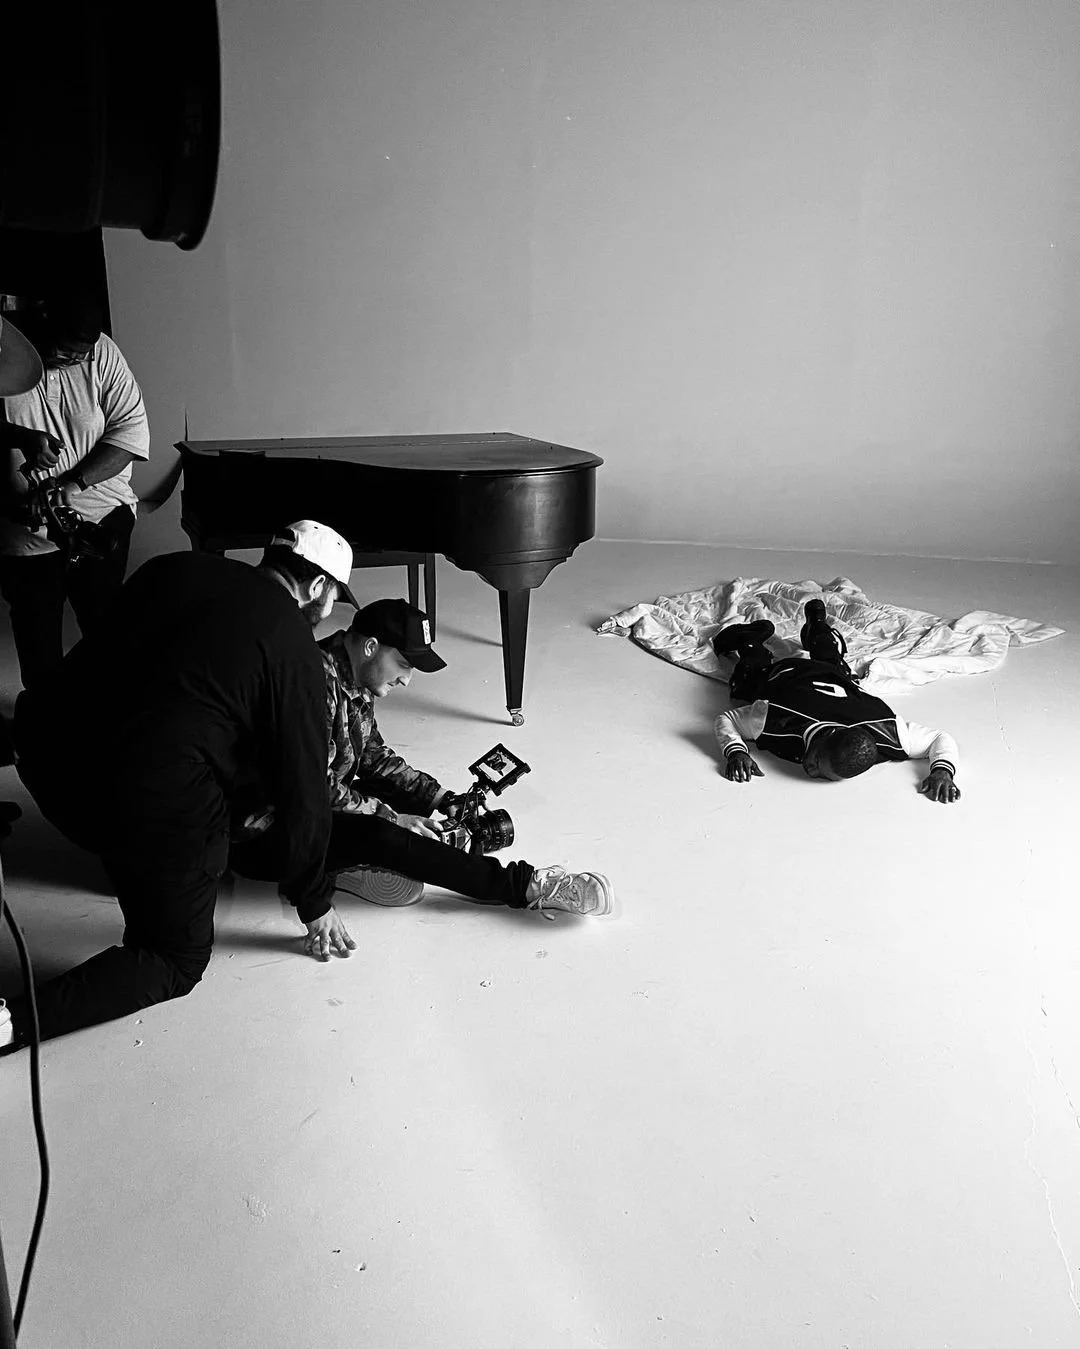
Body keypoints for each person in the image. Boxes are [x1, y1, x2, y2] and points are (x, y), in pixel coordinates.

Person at [0, 520, 359, 1055]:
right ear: (316, 588)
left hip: (45, 763)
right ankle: (12, 1022)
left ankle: (133, 862)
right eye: (335, 596)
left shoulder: (172, 566)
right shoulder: (295, 649)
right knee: (175, 958)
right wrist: (314, 901)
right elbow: (303, 794)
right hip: (137, 805)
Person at [229, 598, 615, 941]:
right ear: (370, 646)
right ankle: (528, 886)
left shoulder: (352, 673)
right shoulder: (310, 685)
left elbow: (374, 757)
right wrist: (394, 819)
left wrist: (442, 799)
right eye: (403, 664)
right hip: (269, 834)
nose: (406, 679)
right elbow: (313, 788)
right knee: (386, 833)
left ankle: (351, 865)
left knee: (399, 802)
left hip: (313, 810)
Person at [0, 292, 150, 690]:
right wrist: (18, 436)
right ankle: (45, 737)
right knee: (38, 645)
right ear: (42, 323)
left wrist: (72, 483)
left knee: (106, 636)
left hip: (100, 515)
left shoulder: (101, 353)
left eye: (81, 356)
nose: (74, 362)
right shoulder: (5, 349)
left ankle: (103, 725)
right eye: (65, 352)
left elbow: (130, 431)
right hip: (24, 532)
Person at [711, 601, 961, 802]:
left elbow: (940, 738)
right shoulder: (773, 717)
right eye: (816, 761)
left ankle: (817, 624)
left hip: (833, 675)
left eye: (823, 774)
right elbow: (728, 718)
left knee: (835, 664)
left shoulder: (889, 733)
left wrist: (942, 771)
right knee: (744, 688)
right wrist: (735, 752)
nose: (810, 770)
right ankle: (750, 639)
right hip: (786, 674)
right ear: (825, 735)